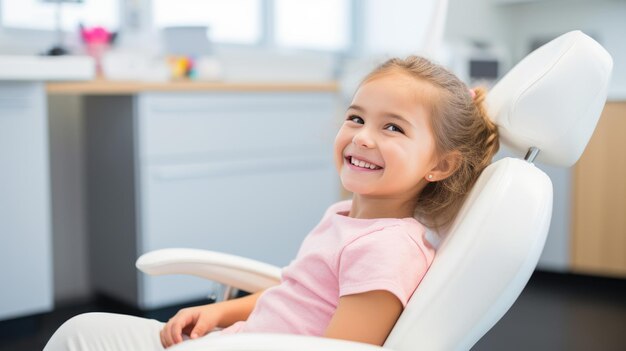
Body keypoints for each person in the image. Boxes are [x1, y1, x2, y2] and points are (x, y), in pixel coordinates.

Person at [44, 56, 499, 350]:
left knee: (80, 339)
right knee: (78, 332)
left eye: (393, 128)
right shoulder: (345, 216)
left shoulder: (388, 250)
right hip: (240, 337)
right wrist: (221, 311)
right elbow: (298, 293)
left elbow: (343, 350)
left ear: (440, 165)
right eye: (356, 117)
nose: (361, 137)